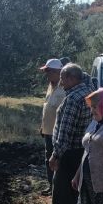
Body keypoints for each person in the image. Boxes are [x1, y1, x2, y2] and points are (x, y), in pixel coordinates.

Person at [46, 63, 95, 204]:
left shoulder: (73, 99)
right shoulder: (88, 92)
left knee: (62, 193)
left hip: (69, 152)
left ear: (72, 78)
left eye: (63, 78)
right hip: (82, 151)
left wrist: (56, 154)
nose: (61, 82)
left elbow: (66, 131)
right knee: (72, 193)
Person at [39, 58, 66, 196]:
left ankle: (58, 188)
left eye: (49, 72)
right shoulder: (51, 86)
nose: (47, 75)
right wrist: (42, 127)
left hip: (58, 133)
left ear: (57, 72)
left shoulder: (64, 88)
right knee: (48, 159)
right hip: (47, 131)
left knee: (57, 161)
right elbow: (47, 106)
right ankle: (52, 186)